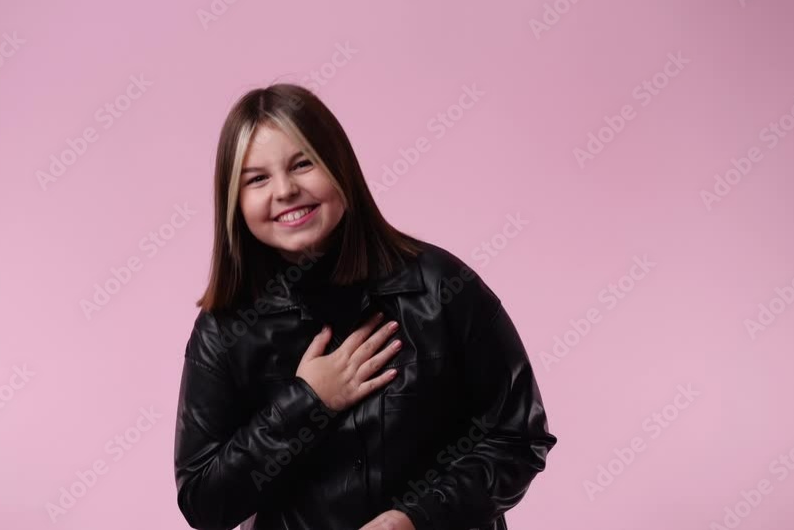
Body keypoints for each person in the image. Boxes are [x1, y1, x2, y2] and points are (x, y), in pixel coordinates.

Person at [173, 83, 557, 530]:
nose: (285, 190)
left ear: (340, 167)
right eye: (257, 179)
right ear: (234, 202)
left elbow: (517, 437)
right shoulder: (224, 329)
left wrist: (415, 519)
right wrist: (309, 400)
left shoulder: (440, 287)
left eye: (302, 164)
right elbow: (204, 503)